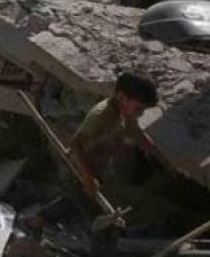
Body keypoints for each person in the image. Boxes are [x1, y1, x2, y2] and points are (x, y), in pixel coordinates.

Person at [69, 71, 196, 232]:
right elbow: (75, 144)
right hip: (94, 178)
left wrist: (167, 163)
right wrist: (88, 178)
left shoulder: (124, 111)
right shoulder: (102, 114)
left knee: (166, 183)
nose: (140, 114)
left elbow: (139, 136)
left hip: (110, 170)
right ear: (122, 97)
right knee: (154, 207)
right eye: (138, 109)